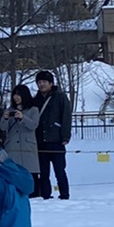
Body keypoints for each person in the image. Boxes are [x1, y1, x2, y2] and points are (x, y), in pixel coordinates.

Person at [32, 70, 72, 200]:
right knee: (43, 172)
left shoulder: (60, 97)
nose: (41, 84)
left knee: (60, 171)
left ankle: (64, 195)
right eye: (39, 82)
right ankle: (45, 195)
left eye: (44, 82)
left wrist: (65, 136)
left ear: (50, 83)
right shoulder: (35, 100)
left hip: (56, 140)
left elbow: (66, 117)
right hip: (40, 141)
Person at [2, 83, 41, 174]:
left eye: (18, 94)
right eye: (14, 94)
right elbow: (3, 127)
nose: (16, 97)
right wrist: (5, 118)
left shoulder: (33, 110)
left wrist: (23, 117)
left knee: (30, 176)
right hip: (12, 148)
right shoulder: (9, 109)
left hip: (28, 148)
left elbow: (34, 125)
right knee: (13, 175)